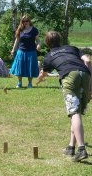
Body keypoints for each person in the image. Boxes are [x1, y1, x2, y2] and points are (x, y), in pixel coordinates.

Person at [37, 31, 91, 162]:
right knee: (76, 112)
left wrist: (39, 80)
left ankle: (82, 149)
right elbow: (88, 61)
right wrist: (90, 86)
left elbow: (43, 74)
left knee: (74, 112)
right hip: (85, 74)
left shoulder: (49, 56)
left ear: (47, 43)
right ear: (60, 40)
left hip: (69, 77)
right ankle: (71, 147)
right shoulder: (72, 48)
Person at [10, 15, 41, 88]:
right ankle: (19, 83)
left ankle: (30, 83)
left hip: (31, 52)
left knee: (30, 68)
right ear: (22, 22)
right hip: (21, 52)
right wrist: (13, 50)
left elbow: (38, 40)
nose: (25, 22)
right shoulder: (20, 30)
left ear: (29, 21)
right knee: (19, 68)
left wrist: (39, 45)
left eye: (27, 20)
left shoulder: (34, 30)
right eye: (23, 21)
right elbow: (17, 41)